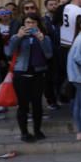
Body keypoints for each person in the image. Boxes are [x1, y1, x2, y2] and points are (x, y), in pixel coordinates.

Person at [6, 12, 53, 142]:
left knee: (37, 104)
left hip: (38, 73)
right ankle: (24, 132)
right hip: (21, 73)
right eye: (28, 22)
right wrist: (18, 37)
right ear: (23, 24)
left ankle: (37, 130)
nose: (30, 25)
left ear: (37, 24)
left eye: (33, 22)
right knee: (23, 105)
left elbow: (49, 55)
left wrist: (41, 39)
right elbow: (9, 52)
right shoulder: (18, 37)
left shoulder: (45, 38)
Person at [58, 0, 81, 101]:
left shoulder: (65, 8)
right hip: (74, 44)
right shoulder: (79, 11)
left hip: (64, 43)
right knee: (78, 76)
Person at [42, 0, 61, 109]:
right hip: (50, 52)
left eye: (55, 4)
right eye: (51, 4)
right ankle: (51, 100)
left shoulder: (60, 20)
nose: (54, 6)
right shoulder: (44, 21)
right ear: (46, 6)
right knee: (49, 78)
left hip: (60, 51)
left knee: (59, 76)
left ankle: (59, 96)